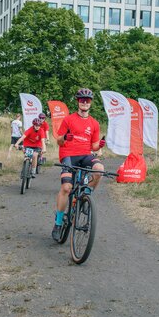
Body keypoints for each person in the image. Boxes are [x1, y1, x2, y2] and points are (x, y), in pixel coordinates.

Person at [51, 88, 106, 242]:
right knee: (66, 188)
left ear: (90, 103)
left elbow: (94, 147)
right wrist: (65, 137)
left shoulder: (94, 123)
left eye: (87, 100)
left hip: (85, 155)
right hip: (68, 155)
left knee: (100, 169)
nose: (84, 102)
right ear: (78, 101)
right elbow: (59, 141)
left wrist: (100, 144)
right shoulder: (68, 119)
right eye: (82, 100)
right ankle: (58, 223)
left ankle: (86, 193)